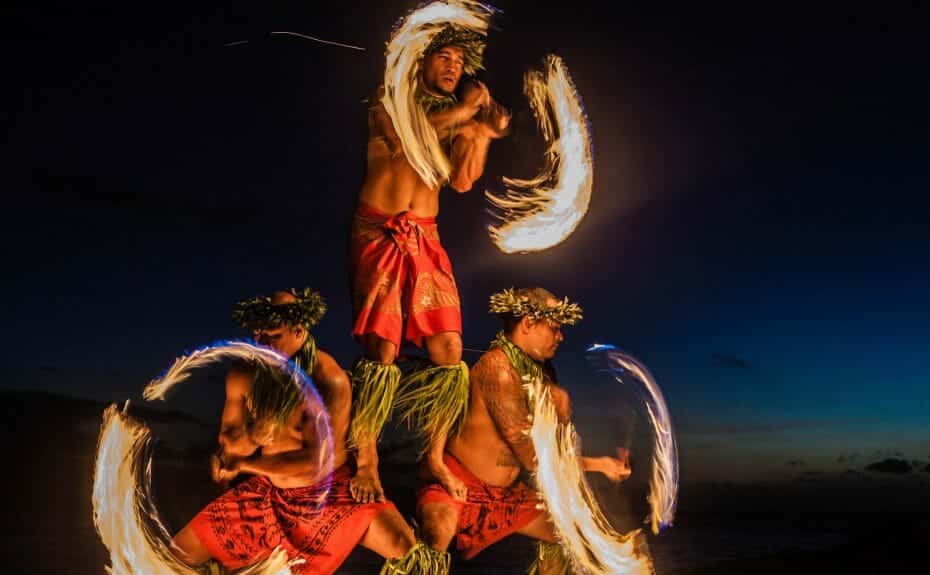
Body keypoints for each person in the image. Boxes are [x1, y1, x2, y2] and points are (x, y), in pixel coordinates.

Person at [347, 22, 511, 505]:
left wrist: (482, 134)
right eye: (445, 58)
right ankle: (368, 460)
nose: (453, 67)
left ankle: (434, 456)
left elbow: (461, 181)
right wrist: (468, 112)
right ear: (420, 60)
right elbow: (408, 138)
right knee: (382, 351)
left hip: (428, 240)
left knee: (449, 350)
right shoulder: (390, 99)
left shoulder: (454, 118)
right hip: (380, 233)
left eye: (460, 62)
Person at [169, 289, 437, 575]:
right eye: (258, 335)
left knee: (411, 555)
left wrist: (244, 463)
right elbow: (231, 448)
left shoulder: (328, 379)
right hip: (270, 491)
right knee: (175, 555)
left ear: (299, 331)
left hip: (330, 494)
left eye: (274, 336)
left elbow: (314, 466)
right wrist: (254, 437)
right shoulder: (244, 374)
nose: (262, 344)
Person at [416, 287, 631, 573]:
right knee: (438, 528)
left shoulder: (539, 374)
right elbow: (532, 459)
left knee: (564, 531)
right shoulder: (498, 370)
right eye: (554, 328)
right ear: (528, 324)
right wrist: (599, 464)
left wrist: (560, 410)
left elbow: (552, 446)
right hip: (457, 485)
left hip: (505, 495)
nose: (561, 336)